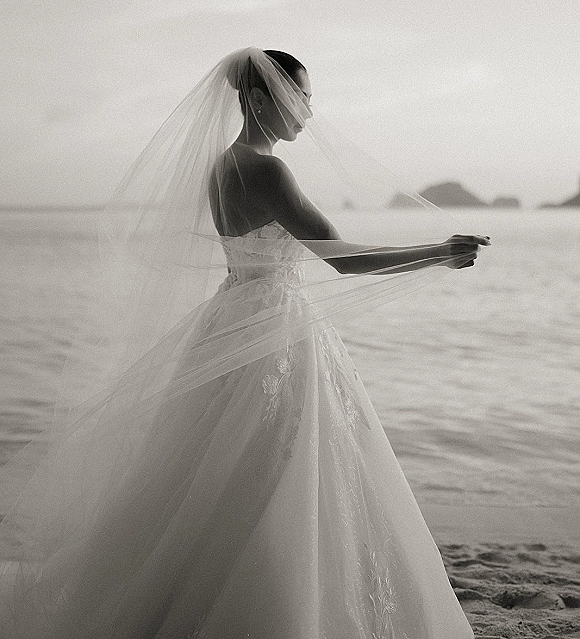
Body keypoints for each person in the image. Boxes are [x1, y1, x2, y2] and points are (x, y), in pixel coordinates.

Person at [0, 48, 489, 638]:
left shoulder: (222, 166)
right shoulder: (267, 171)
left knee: (214, 474)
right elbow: (346, 261)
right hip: (274, 327)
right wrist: (439, 252)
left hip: (232, 316)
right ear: (261, 99)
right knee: (282, 472)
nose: (307, 112)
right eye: (299, 97)